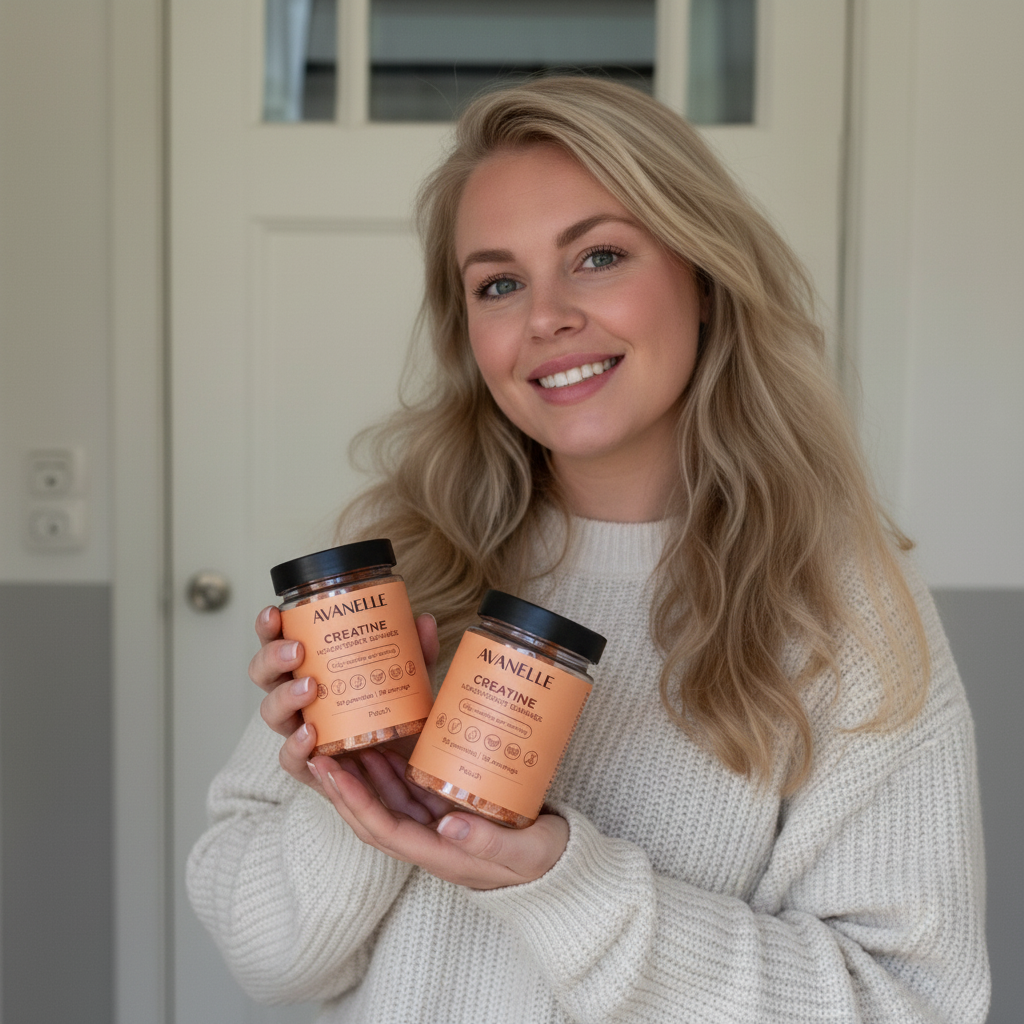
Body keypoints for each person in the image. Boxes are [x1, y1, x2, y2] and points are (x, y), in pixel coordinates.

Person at [187, 76, 989, 1022]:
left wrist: (563, 879)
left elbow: (912, 1004)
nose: (546, 317)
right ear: (469, 334)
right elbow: (269, 961)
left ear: (704, 277)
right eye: (498, 283)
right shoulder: (396, 577)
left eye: (599, 256)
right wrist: (362, 799)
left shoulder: (847, 609)